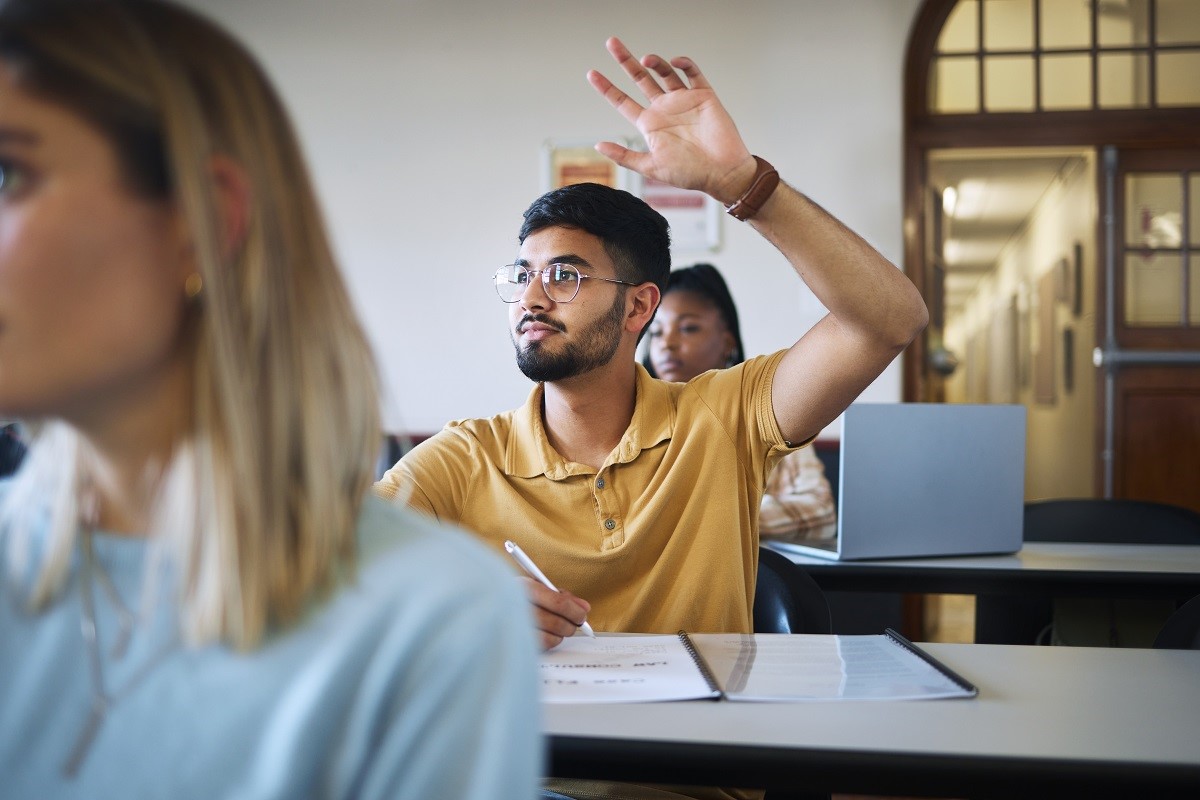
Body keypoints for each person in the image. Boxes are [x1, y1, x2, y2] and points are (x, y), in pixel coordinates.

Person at [0, 2, 540, 798]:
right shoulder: (468, 462)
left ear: (201, 220)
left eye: (6, 174)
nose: (537, 298)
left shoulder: (432, 623)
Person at [644, 264, 836, 541]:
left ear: (726, 342)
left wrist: (711, 518)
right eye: (658, 332)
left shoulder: (766, 413)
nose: (668, 343)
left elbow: (821, 513)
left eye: (688, 328)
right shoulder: (632, 415)